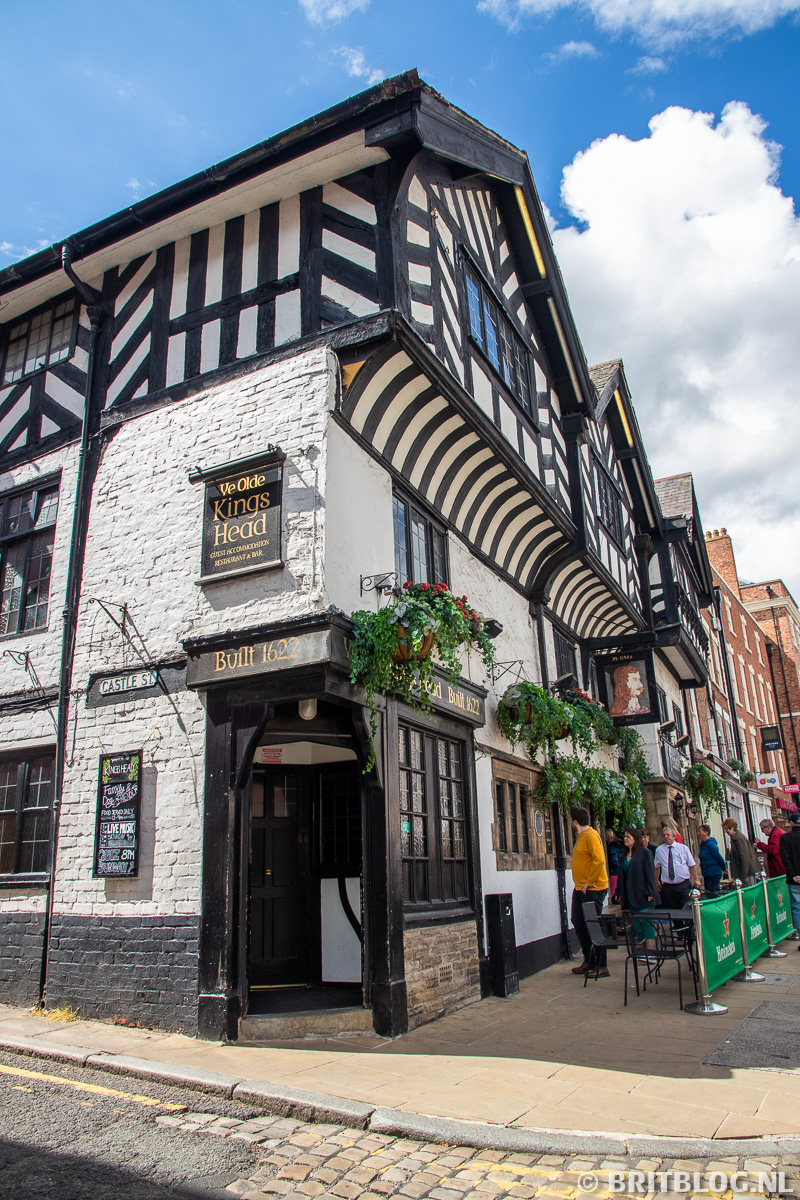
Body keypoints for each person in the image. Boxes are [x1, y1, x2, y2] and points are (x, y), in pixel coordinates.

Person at [569, 806, 610, 977]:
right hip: (580, 888)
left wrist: (590, 881)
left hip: (594, 888)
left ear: (575, 822)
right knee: (578, 921)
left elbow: (599, 860)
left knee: (593, 923)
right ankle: (589, 959)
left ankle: (602, 965)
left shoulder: (591, 835)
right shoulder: (581, 836)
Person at [619, 828, 657, 942]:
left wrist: (651, 891)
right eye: (625, 836)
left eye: (628, 837)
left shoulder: (645, 853)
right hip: (631, 895)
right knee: (637, 924)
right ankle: (643, 951)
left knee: (645, 923)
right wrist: (618, 891)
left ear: (635, 839)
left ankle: (651, 953)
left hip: (644, 894)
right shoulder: (625, 854)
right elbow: (622, 875)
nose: (625, 839)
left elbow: (650, 872)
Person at [654, 825, 701, 908]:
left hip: (683, 885)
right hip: (668, 886)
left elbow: (692, 865)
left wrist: (696, 879)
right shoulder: (659, 850)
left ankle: (687, 921)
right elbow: (657, 866)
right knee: (673, 911)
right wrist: (656, 880)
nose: (666, 837)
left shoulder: (683, 848)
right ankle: (677, 922)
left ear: (674, 836)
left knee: (685, 908)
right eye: (664, 835)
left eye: (668, 835)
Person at [779, 813, 800, 948]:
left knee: (797, 908)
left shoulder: (785, 838)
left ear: (791, 823)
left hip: (794, 879)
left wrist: (794, 875)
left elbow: (785, 859)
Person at [722, 818, 761, 885]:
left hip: (747, 872)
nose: (726, 831)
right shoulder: (735, 838)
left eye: (727, 829)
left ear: (732, 828)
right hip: (744, 872)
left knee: (749, 893)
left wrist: (744, 875)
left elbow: (745, 857)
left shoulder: (739, 838)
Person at [698, 824, 727, 896]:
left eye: (700, 831)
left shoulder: (710, 844)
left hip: (713, 872)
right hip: (707, 872)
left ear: (706, 833)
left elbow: (718, 856)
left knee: (712, 893)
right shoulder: (703, 845)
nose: (698, 833)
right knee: (709, 892)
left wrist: (724, 867)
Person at [606, 829, 623, 904]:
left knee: (613, 891)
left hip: (614, 871)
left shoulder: (612, 847)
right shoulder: (620, 844)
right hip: (620, 870)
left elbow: (614, 860)